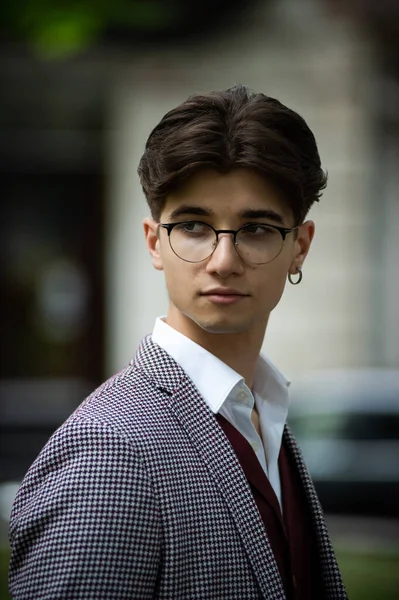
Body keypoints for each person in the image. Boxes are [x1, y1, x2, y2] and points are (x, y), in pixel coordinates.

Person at [9, 85, 348, 600]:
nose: (223, 260)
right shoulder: (108, 452)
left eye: (255, 228)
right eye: (194, 226)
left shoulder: (262, 414)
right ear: (154, 242)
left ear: (299, 247)